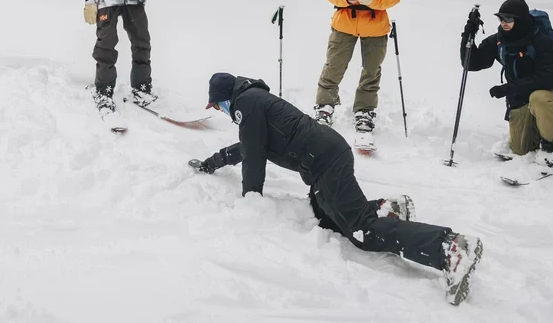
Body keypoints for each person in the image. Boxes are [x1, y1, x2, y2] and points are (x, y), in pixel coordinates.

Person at [196, 73, 483, 306]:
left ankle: (450, 248)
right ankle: (387, 208)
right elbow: (248, 147)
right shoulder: (253, 99)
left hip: (323, 160)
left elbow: (254, 154)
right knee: (327, 219)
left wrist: (251, 199)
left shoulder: (245, 104)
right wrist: (213, 163)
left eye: (217, 106)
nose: (220, 111)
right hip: (323, 156)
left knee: (361, 230)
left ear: (224, 99)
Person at [314, 0, 402, 139]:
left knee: (371, 71)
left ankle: (364, 110)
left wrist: (374, 0)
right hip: (344, 22)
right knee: (334, 66)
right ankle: (325, 105)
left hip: (375, 25)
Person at [460, 0, 553, 170]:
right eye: (501, 18)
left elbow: (545, 80)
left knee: (539, 98)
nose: (504, 23)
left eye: (508, 19)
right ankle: (539, 133)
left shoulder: (541, 41)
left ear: (520, 20)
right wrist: (468, 34)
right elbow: (471, 63)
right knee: (520, 149)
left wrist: (508, 88)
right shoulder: (500, 41)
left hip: (550, 92)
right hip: (520, 96)